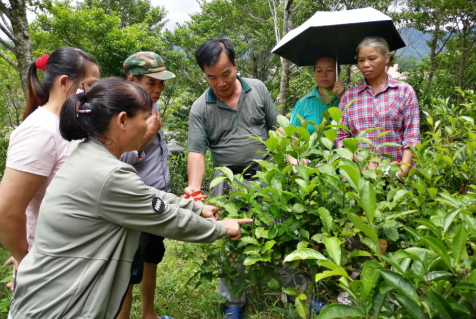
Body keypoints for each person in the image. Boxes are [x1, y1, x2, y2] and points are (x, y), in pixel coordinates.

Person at [7, 77, 252, 319]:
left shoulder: (91, 155)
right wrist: (220, 228)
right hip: (58, 308)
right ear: (122, 120)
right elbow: (167, 219)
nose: (149, 126)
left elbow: (145, 195)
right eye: (145, 119)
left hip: (52, 297)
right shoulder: (107, 173)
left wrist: (195, 208)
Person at [185, 38, 289, 319]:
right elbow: (197, 152)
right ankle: (233, 303)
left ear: (235, 65)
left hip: (267, 174)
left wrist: (291, 158)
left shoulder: (258, 89)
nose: (219, 83)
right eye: (211, 77)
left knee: (282, 231)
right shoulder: (200, 108)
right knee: (230, 238)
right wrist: (194, 187)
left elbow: (275, 127)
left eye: (225, 74)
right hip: (227, 179)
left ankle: (293, 291)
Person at [0, 47, 99, 289]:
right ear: (65, 83)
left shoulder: (70, 125)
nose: (96, 94)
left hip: (71, 262)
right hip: (48, 270)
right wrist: (26, 256)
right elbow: (6, 212)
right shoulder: (40, 131)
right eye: (90, 85)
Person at [117, 52, 175, 319]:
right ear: (132, 79)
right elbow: (115, 161)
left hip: (157, 200)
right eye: (152, 83)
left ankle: (148, 314)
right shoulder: (121, 113)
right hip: (134, 203)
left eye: (162, 83)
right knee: (130, 268)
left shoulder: (153, 105)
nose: (159, 89)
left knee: (152, 258)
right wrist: (145, 137)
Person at [335, 36, 420, 179]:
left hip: (396, 178)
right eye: (361, 60)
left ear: (387, 58)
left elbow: (411, 137)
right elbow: (342, 138)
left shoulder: (404, 91)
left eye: (372, 58)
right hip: (359, 178)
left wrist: (402, 172)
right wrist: (363, 163)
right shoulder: (349, 96)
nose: (365, 64)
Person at [290, 56, 345, 133]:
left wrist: (344, 99)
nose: (324, 74)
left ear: (338, 72)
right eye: (319, 71)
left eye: (329, 70)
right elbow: (294, 135)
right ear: (314, 73)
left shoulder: (350, 99)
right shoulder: (303, 104)